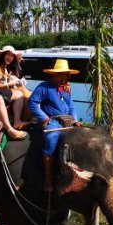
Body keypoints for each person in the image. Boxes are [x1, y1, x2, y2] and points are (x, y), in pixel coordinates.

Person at [28, 59, 83, 191]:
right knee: (51, 140)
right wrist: (43, 117)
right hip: (53, 122)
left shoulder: (66, 89)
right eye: (60, 75)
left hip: (68, 121)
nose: (63, 78)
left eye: (65, 75)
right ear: (54, 75)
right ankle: (48, 178)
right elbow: (32, 103)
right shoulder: (44, 87)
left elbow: (71, 107)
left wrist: (74, 120)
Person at [0, 45, 30, 129]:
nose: (9, 57)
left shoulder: (4, 68)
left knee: (25, 92)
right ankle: (17, 121)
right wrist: (11, 83)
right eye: (7, 54)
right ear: (3, 55)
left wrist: (12, 83)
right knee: (20, 94)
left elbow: (4, 83)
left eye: (12, 55)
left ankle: (20, 119)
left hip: (3, 91)